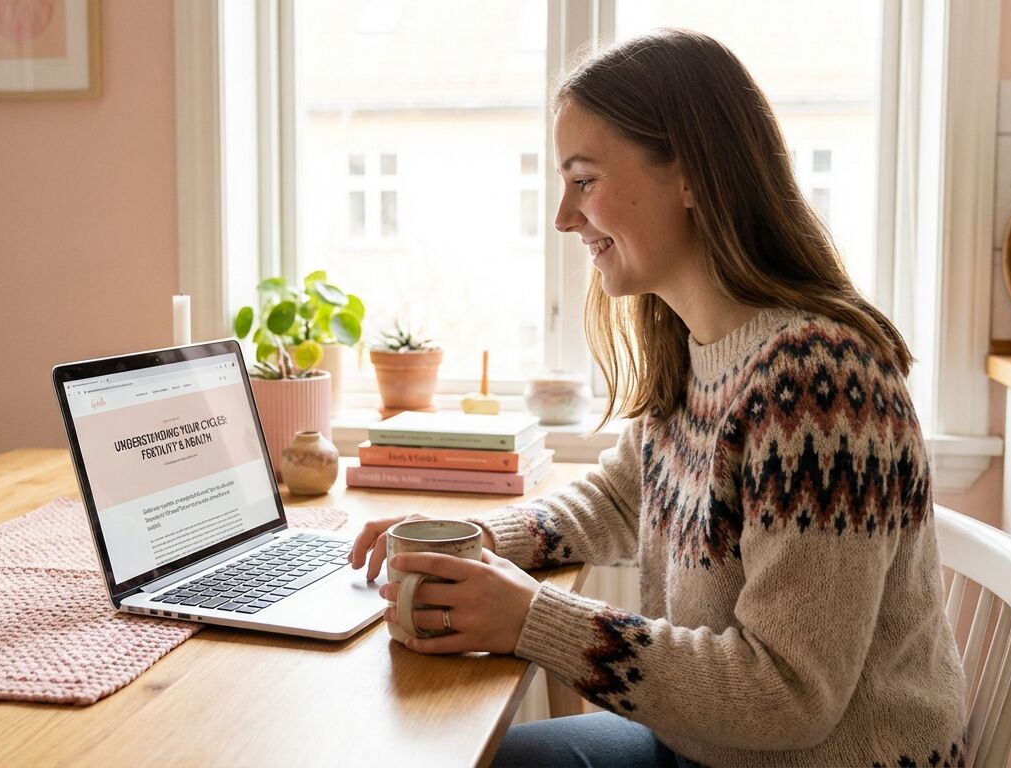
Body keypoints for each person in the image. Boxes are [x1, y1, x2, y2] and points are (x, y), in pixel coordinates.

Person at [349, 29, 966, 768]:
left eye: (583, 180)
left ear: (692, 176)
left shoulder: (818, 384)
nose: (563, 218)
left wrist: (532, 619)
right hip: (712, 751)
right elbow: (625, 496)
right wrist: (477, 541)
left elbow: (789, 693)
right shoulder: (699, 342)